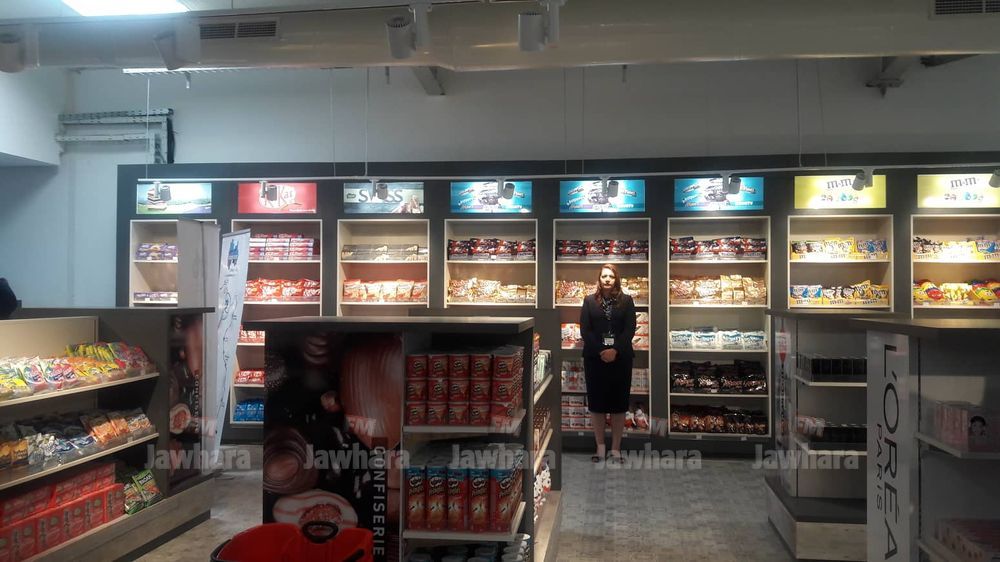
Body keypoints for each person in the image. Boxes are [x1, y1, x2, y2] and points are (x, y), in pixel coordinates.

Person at [579, 264, 636, 463]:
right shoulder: (589, 301)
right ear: (599, 278)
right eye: (604, 276)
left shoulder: (627, 301)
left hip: (621, 359)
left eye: (611, 276)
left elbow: (630, 329)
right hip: (595, 359)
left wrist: (615, 350)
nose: (607, 279)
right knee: (597, 405)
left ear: (616, 279)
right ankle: (600, 447)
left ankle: (616, 449)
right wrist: (601, 351)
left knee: (619, 405)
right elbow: (585, 330)